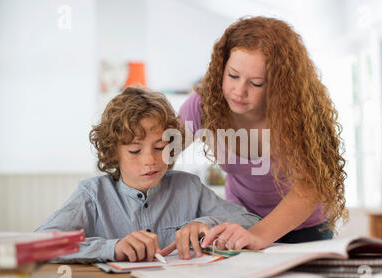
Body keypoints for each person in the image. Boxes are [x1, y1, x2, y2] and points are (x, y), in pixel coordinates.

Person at [177, 16, 348, 250]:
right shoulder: (203, 105)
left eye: (256, 83)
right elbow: (159, 153)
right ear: (221, 67)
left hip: (304, 228)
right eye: (233, 75)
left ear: (280, 85)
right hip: (240, 221)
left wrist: (258, 236)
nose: (239, 91)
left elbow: (308, 188)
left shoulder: (299, 114)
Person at [35, 86, 261, 263]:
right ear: (113, 152)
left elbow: (252, 223)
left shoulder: (189, 187)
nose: (150, 160)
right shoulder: (93, 194)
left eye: (160, 147)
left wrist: (208, 222)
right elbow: (37, 244)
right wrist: (111, 248)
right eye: (134, 150)